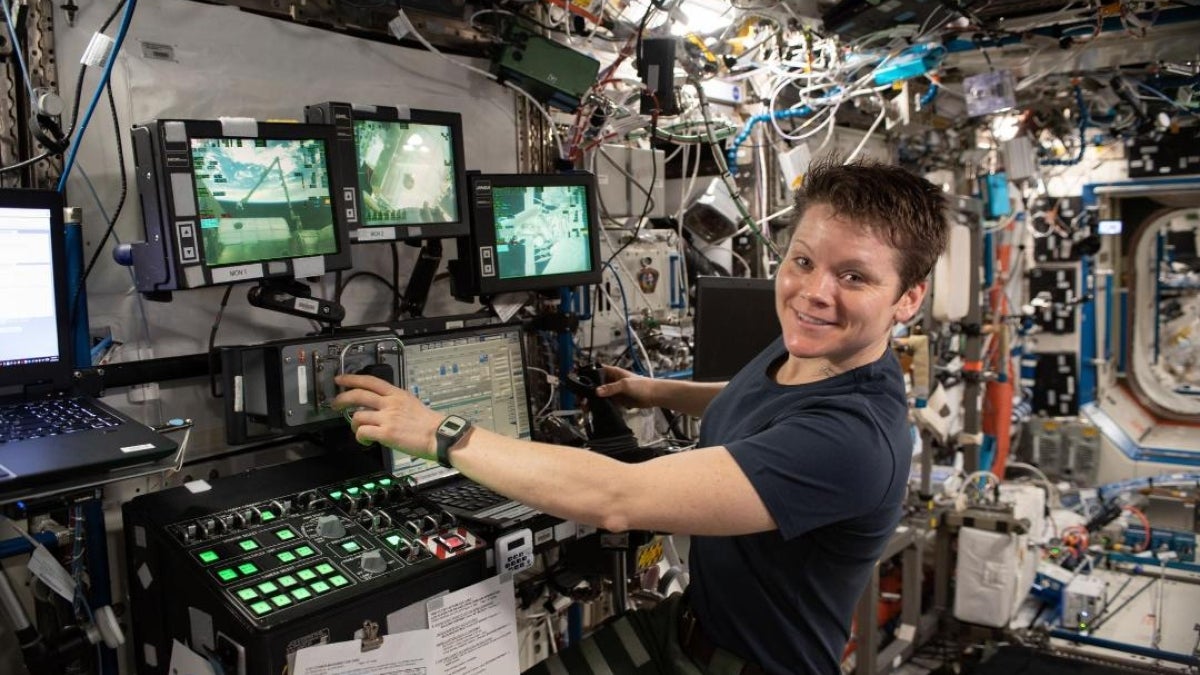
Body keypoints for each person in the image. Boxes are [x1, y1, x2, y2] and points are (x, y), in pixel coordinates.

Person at [333, 158, 950, 674]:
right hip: (684, 626)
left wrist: (439, 433)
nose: (814, 292)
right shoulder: (813, 346)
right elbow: (759, 395)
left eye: (854, 276)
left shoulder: (854, 438)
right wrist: (656, 392)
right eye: (803, 261)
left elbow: (617, 498)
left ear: (909, 297)